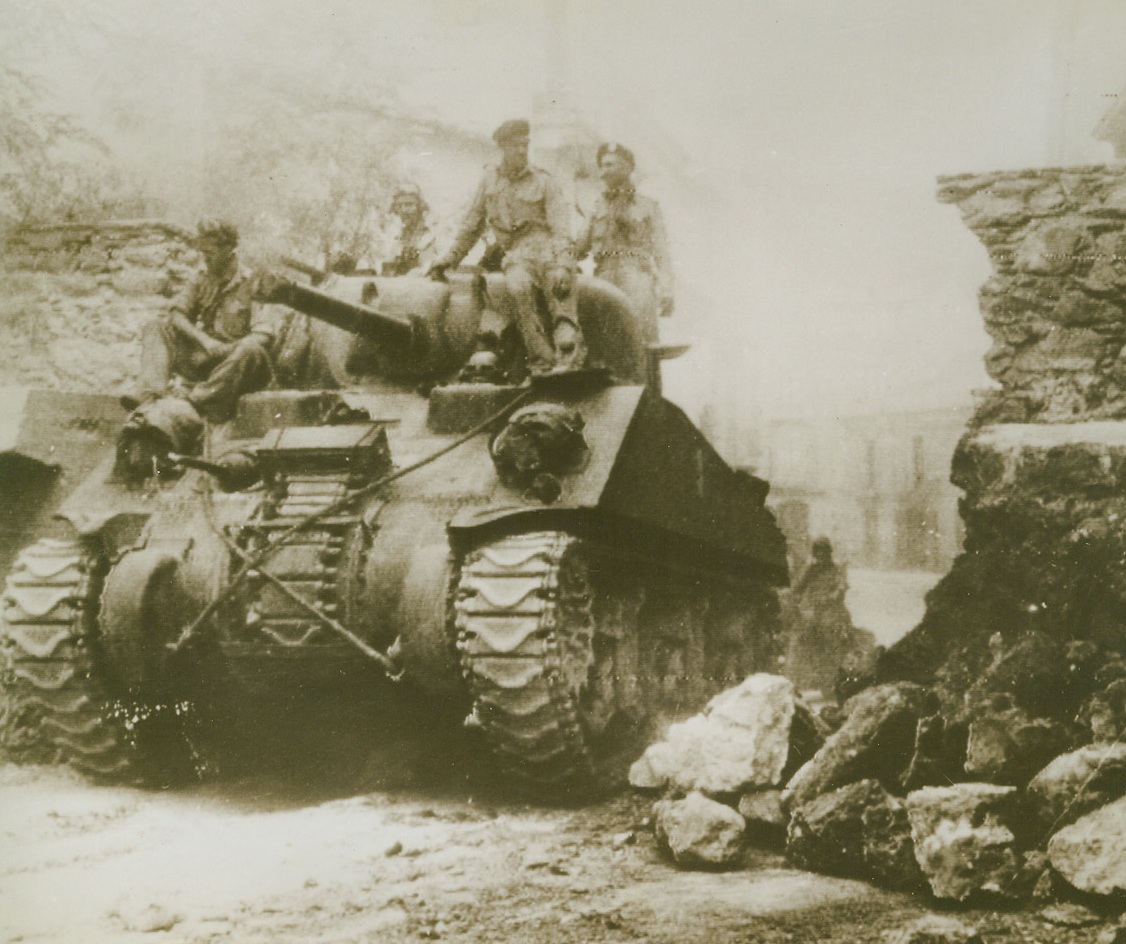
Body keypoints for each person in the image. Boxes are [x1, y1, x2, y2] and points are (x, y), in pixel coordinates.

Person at [428, 119, 584, 374]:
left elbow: (561, 228)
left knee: (559, 287)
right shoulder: (489, 181)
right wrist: (450, 257)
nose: (522, 150)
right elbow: (472, 224)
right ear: (502, 147)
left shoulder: (544, 180)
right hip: (517, 253)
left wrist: (564, 264)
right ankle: (541, 359)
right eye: (515, 145)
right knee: (518, 286)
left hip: (547, 248)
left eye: (525, 145)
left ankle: (569, 354)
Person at [126, 219, 282, 422]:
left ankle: (195, 401)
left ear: (228, 249)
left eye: (211, 253)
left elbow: (262, 336)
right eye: (203, 253)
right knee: (155, 326)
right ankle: (150, 393)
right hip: (206, 355)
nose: (205, 259)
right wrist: (205, 341)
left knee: (251, 350)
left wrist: (228, 349)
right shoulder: (202, 277)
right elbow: (176, 314)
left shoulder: (253, 282)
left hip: (237, 363)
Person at [574, 142, 673, 344]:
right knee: (601, 340)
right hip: (603, 278)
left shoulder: (648, 206)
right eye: (602, 166)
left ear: (627, 168)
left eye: (610, 165)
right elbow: (579, 248)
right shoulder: (596, 207)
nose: (603, 173)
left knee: (642, 339)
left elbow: (661, 252)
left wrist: (666, 288)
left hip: (636, 276)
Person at [381, 183, 437, 276]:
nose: (404, 210)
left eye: (409, 204)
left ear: (420, 206)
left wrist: (421, 271)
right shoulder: (396, 232)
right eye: (399, 206)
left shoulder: (432, 230)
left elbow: (431, 264)